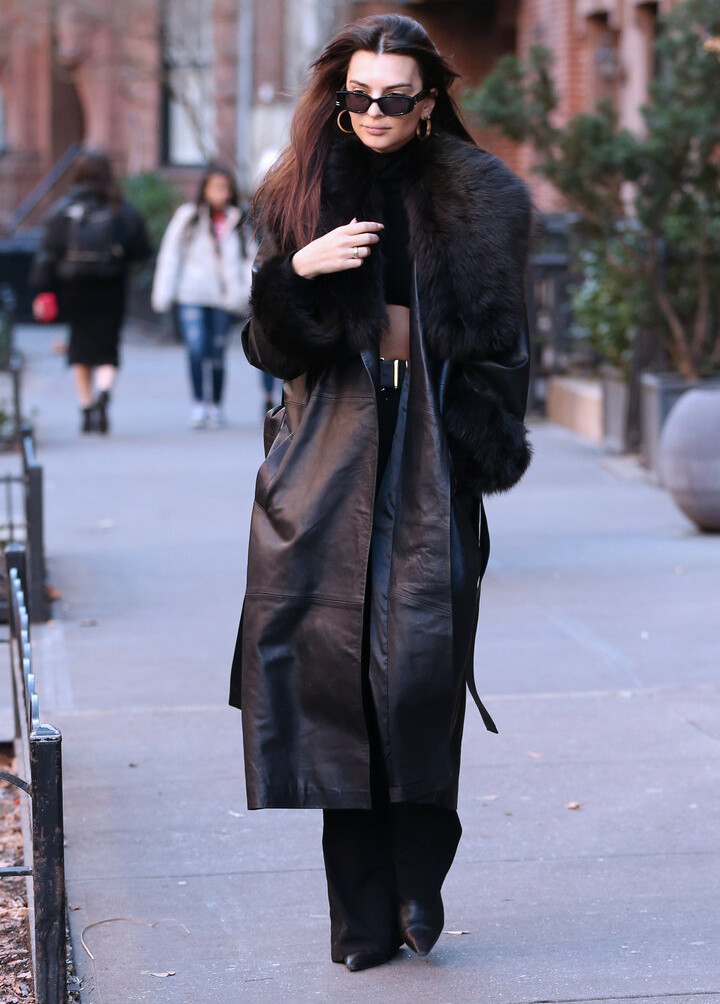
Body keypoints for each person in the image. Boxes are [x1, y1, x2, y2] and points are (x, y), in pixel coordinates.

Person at [229, 13, 533, 973]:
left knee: (420, 684)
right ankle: (361, 921)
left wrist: (479, 448)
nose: (373, 112)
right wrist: (296, 274)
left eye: (394, 98)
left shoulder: (481, 199)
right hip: (326, 461)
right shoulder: (301, 190)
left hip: (433, 458)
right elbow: (267, 350)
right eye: (357, 95)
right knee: (339, 697)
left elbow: (506, 348)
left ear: (429, 101)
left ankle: (419, 879)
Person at [31, 151, 151, 433]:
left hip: (76, 286)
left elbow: (47, 253)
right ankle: (104, 393)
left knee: (80, 346)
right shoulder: (121, 208)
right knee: (108, 346)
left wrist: (41, 288)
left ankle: (85, 406)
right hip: (111, 286)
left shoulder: (63, 209)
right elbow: (142, 250)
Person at [151, 165, 250, 428]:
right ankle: (198, 403)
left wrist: (247, 293)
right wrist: (164, 293)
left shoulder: (237, 219)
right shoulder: (189, 216)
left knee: (217, 351)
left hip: (224, 298)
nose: (221, 193)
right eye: (215, 187)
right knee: (196, 348)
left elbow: (248, 259)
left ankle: (216, 404)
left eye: (225, 188)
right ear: (204, 189)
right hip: (192, 293)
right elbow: (171, 255)